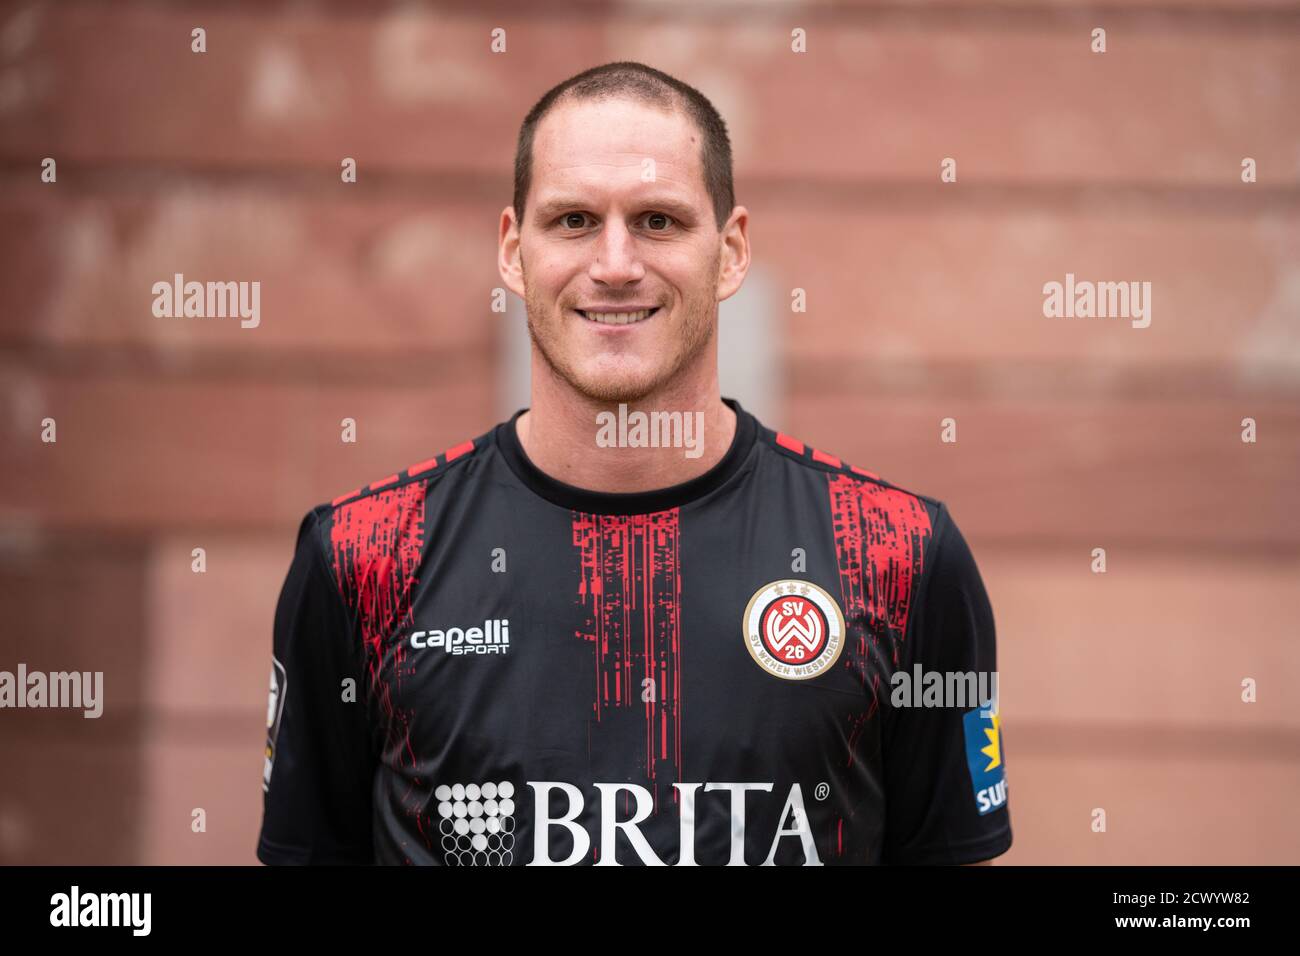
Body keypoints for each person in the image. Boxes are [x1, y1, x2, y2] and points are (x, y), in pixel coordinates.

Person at [256, 61, 1011, 866]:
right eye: (575, 220)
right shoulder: (365, 557)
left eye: (657, 221)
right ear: (513, 252)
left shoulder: (898, 555)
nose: (615, 265)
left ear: (730, 252)